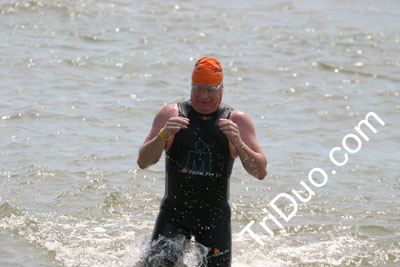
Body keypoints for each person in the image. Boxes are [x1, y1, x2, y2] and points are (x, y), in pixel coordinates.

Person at [137, 56, 267, 266]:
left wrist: (239, 143)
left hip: (214, 218)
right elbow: (143, 162)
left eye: (211, 89)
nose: (203, 96)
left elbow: (260, 172)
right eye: (197, 88)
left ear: (222, 88)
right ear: (191, 86)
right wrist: (163, 135)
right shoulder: (171, 115)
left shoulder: (236, 121)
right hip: (174, 214)